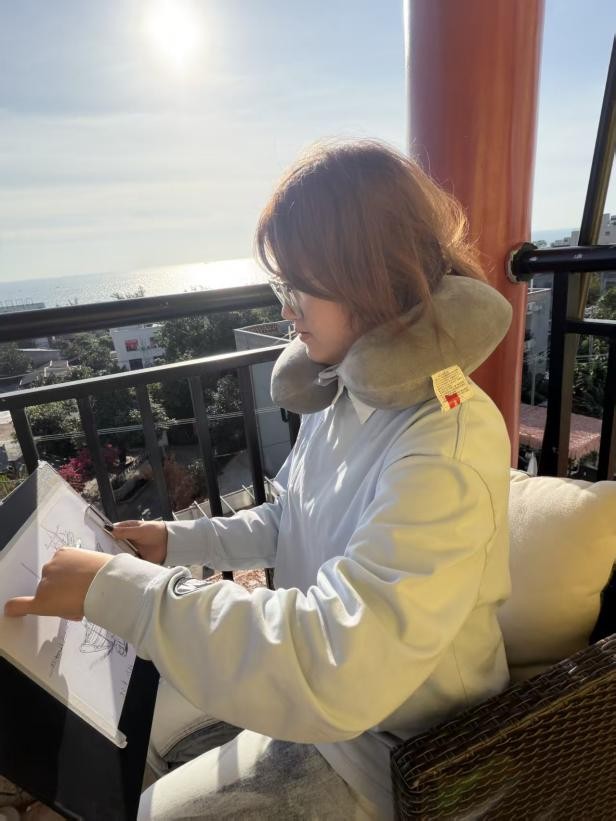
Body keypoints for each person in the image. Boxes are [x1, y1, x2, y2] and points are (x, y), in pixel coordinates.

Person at [5, 140, 513, 819]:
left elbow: (341, 662)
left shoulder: (445, 442)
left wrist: (122, 591)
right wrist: (177, 542)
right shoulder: (345, 395)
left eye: (299, 287)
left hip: (399, 755)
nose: (286, 311)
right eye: (282, 287)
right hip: (327, 709)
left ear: (372, 277)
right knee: (139, 721)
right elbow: (288, 517)